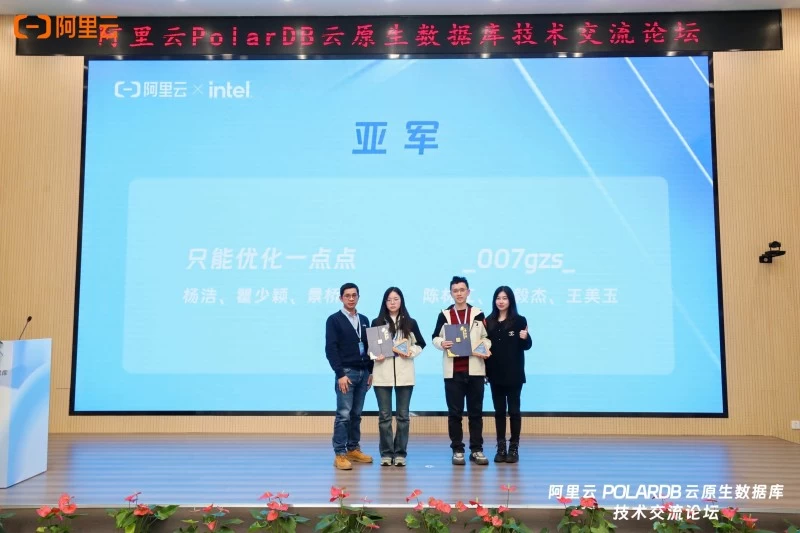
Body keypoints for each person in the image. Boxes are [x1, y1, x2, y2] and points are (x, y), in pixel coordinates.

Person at [432, 276, 492, 466]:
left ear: (468, 292)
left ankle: (476, 449)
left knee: (476, 413)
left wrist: (484, 346)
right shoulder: (445, 314)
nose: (459, 293)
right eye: (455, 290)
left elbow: (487, 338)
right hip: (453, 372)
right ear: (451, 293)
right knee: (455, 413)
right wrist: (442, 343)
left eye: (462, 290)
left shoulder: (478, 314)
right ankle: (457, 449)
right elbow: (435, 337)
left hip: (475, 371)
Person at [371, 287, 426, 467]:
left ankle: (400, 453)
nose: (392, 302)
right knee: (384, 417)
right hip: (382, 374)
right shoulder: (377, 322)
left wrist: (411, 351)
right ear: (384, 302)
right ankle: (387, 453)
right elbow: (371, 348)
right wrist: (375, 355)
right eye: (389, 299)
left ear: (401, 301)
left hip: (405, 375)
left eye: (396, 299)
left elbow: (421, 344)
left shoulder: (410, 322)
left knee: (403, 416)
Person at [325, 282, 374, 470]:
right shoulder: (334, 320)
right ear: (341, 298)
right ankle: (339, 454)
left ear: (358, 297)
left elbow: (370, 348)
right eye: (347, 295)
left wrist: (371, 371)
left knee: (356, 414)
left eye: (354, 295)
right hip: (346, 373)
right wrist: (340, 374)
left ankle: (353, 449)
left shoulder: (364, 320)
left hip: (363, 373)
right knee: (343, 415)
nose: (351, 298)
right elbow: (331, 349)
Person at [485, 286, 531, 463]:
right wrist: (485, 372)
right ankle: (501, 447)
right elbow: (485, 348)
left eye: (504, 298)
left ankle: (514, 447)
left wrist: (526, 337)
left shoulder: (519, 320)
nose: (501, 301)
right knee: (499, 412)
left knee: (514, 411)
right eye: (498, 298)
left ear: (510, 300)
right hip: (495, 373)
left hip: (514, 373)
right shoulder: (488, 321)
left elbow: (526, 346)